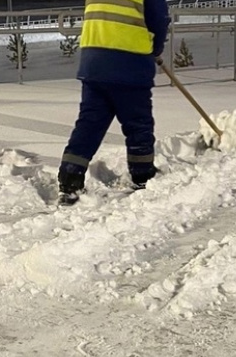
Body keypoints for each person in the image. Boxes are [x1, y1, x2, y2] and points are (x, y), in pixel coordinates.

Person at [57, 0, 171, 205]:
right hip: (129, 62)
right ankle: (143, 176)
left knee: (89, 124)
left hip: (93, 63)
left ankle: (69, 178)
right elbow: (158, 19)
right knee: (138, 124)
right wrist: (155, 48)